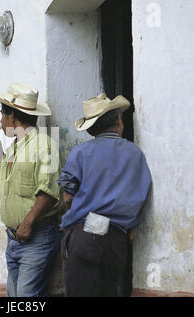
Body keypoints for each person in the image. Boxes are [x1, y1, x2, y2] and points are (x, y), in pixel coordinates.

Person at [57, 92, 152, 297]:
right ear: (118, 120)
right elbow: (141, 195)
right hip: (117, 238)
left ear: (91, 128)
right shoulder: (135, 154)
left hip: (85, 234)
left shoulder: (81, 152)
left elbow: (68, 196)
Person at [0, 82, 63, 297]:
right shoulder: (15, 147)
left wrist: (27, 223)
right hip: (16, 238)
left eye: (2, 113)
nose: (1, 119)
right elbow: (0, 174)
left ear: (13, 117)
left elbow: (49, 191)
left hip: (36, 236)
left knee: (26, 297)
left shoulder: (44, 145)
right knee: (15, 296)